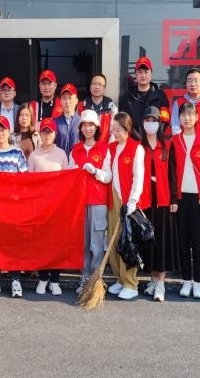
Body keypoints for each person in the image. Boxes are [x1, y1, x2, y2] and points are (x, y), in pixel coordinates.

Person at [168, 102, 200, 299]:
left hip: (199, 198)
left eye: (190, 115)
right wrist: (173, 198)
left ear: (196, 118)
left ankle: (198, 282)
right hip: (181, 197)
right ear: (179, 118)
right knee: (183, 241)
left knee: (199, 241)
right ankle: (186, 280)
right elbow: (171, 172)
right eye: (183, 115)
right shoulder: (174, 140)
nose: (187, 118)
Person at [0, 115, 29, 297]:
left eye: (3, 129)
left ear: (9, 132)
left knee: (13, 242)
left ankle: (15, 279)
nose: (0, 132)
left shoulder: (17, 153)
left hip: (13, 206)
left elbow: (24, 180)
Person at [68, 109, 112, 294]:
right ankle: (85, 277)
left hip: (98, 201)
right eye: (84, 125)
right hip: (79, 202)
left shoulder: (104, 149)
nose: (87, 129)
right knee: (83, 243)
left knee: (97, 242)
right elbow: (68, 176)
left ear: (97, 128)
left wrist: (95, 171)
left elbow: (108, 176)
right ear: (80, 128)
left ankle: (96, 279)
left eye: (91, 125)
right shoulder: (75, 150)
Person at [106, 112, 149, 300]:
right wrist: (96, 172)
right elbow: (108, 174)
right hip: (113, 199)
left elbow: (138, 178)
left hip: (128, 201)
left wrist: (132, 201)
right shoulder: (111, 148)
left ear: (127, 128)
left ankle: (131, 283)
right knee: (113, 240)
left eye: (118, 129)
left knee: (127, 242)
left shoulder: (136, 148)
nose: (114, 133)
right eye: (113, 129)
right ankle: (120, 278)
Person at [27, 117, 69, 296]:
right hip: (40, 207)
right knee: (42, 243)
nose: (47, 135)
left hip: (58, 206)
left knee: (56, 243)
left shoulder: (62, 154)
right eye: (44, 132)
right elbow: (29, 183)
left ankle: (55, 280)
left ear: (55, 134)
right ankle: (43, 278)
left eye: (50, 132)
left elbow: (68, 180)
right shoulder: (34, 155)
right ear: (40, 134)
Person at [138, 106, 176, 302]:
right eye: (147, 120)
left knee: (162, 240)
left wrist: (174, 198)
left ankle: (161, 281)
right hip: (145, 200)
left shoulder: (167, 145)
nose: (150, 124)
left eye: (154, 120)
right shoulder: (139, 146)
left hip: (163, 200)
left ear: (159, 124)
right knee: (149, 241)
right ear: (143, 123)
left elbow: (172, 174)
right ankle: (152, 279)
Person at [118, 57, 168, 135]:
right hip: (133, 141)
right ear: (135, 74)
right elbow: (124, 122)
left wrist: (155, 137)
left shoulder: (160, 95)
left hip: (154, 140)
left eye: (146, 72)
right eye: (140, 72)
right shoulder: (126, 98)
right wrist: (138, 138)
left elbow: (165, 120)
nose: (143, 75)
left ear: (151, 74)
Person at [171, 68, 200, 140]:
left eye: (196, 81)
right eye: (189, 81)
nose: (193, 84)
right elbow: (175, 126)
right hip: (184, 144)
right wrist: (184, 141)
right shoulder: (178, 103)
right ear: (186, 84)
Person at [81, 73, 117, 144]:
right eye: (94, 84)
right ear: (90, 87)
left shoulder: (111, 107)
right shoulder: (82, 106)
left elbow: (114, 131)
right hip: (86, 147)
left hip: (105, 147)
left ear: (104, 88)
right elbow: (77, 129)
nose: (97, 87)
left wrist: (108, 148)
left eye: (100, 84)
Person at [54, 83, 81, 154]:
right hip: (59, 159)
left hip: (76, 159)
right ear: (60, 102)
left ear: (76, 101)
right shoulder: (55, 122)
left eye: (70, 98)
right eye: (64, 98)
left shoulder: (82, 122)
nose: (67, 102)